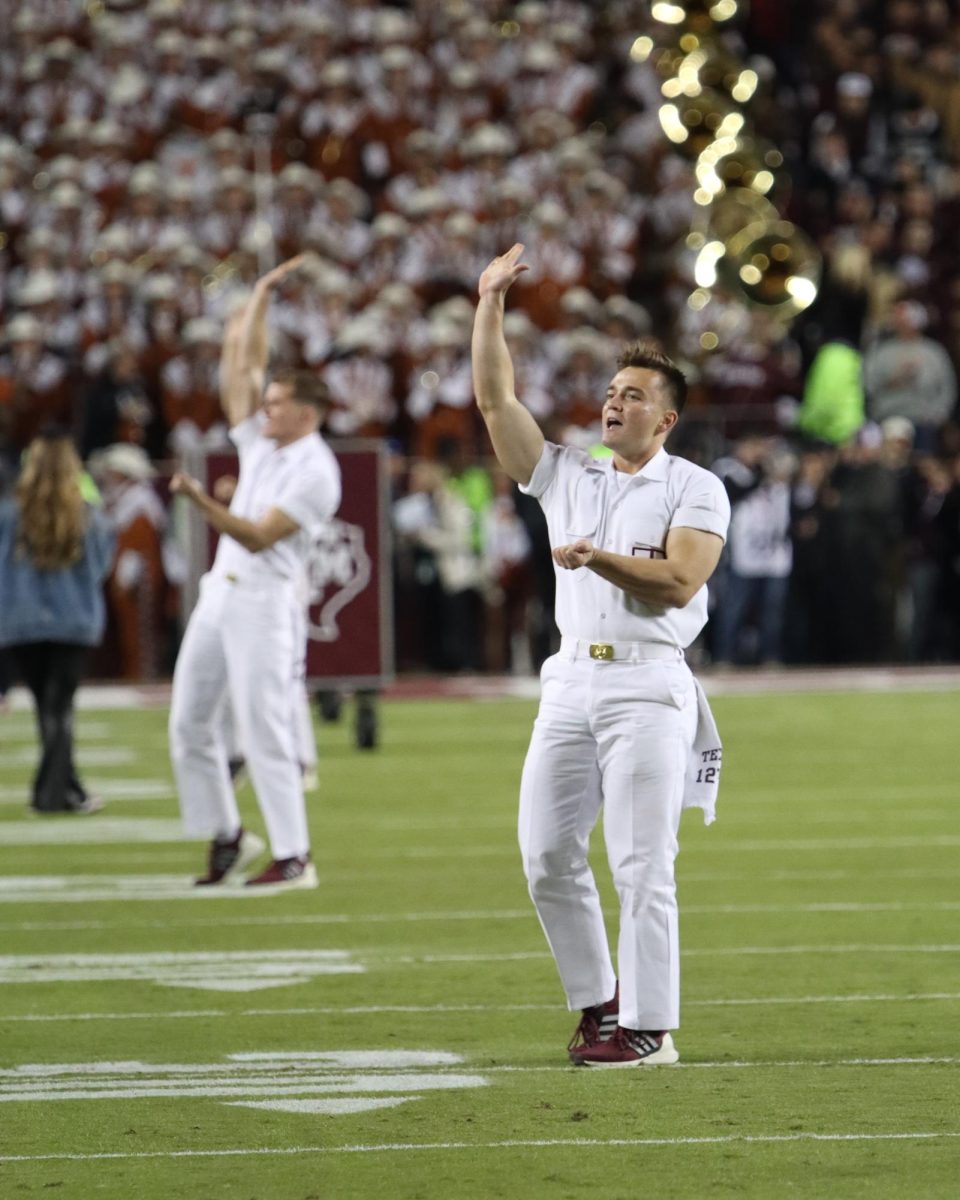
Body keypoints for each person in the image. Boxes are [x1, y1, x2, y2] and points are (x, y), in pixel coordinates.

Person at [471, 244, 730, 1067]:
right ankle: (600, 1002)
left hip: (649, 686)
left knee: (642, 862)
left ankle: (651, 1029)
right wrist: (489, 303)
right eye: (613, 391)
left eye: (634, 396)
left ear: (667, 419)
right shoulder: (569, 473)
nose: (614, 403)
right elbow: (494, 399)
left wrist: (599, 558)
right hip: (570, 677)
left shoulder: (696, 486)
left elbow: (682, 582)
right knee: (545, 854)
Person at [168, 254, 341, 890]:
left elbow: (258, 534)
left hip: (265, 603)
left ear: (306, 413)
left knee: (265, 727)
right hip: (221, 595)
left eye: (275, 405)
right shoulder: (266, 443)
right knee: (189, 722)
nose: (262, 411)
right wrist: (261, 297)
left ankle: (295, 854)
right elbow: (241, 368)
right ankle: (226, 834)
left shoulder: (317, 472)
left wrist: (198, 499)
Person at [0, 430, 114, 813]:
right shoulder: (87, 512)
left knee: (46, 707)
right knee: (60, 707)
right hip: (73, 619)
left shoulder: (8, 511)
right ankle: (49, 794)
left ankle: (68, 788)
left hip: (21, 620)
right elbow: (100, 566)